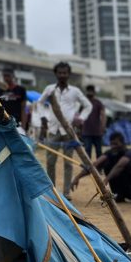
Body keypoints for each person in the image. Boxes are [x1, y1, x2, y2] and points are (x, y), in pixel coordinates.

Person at [38, 62, 92, 199]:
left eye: (65, 73)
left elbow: (88, 106)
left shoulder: (75, 91)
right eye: (60, 72)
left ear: (69, 74)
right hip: (53, 129)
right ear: (56, 74)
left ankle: (66, 193)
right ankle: (52, 192)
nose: (62, 75)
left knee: (68, 162)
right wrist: (43, 117)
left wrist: (81, 119)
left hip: (69, 131)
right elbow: (39, 102)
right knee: (50, 162)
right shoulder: (50, 89)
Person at [71, 131, 131, 203]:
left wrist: (105, 180)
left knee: (123, 167)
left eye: (116, 144)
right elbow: (95, 164)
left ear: (122, 143)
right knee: (107, 165)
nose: (113, 146)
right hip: (121, 191)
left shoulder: (130, 153)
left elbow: (120, 165)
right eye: (112, 144)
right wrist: (78, 177)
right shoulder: (110, 153)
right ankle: (119, 195)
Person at [80, 84, 107, 159]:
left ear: (94, 92)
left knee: (99, 151)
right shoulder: (83, 104)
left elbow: (103, 115)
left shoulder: (98, 103)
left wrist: (103, 127)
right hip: (86, 132)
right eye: (88, 91)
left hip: (97, 132)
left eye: (91, 91)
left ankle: (99, 168)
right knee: (87, 151)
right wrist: (79, 129)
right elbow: (79, 117)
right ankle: (88, 169)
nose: (90, 93)